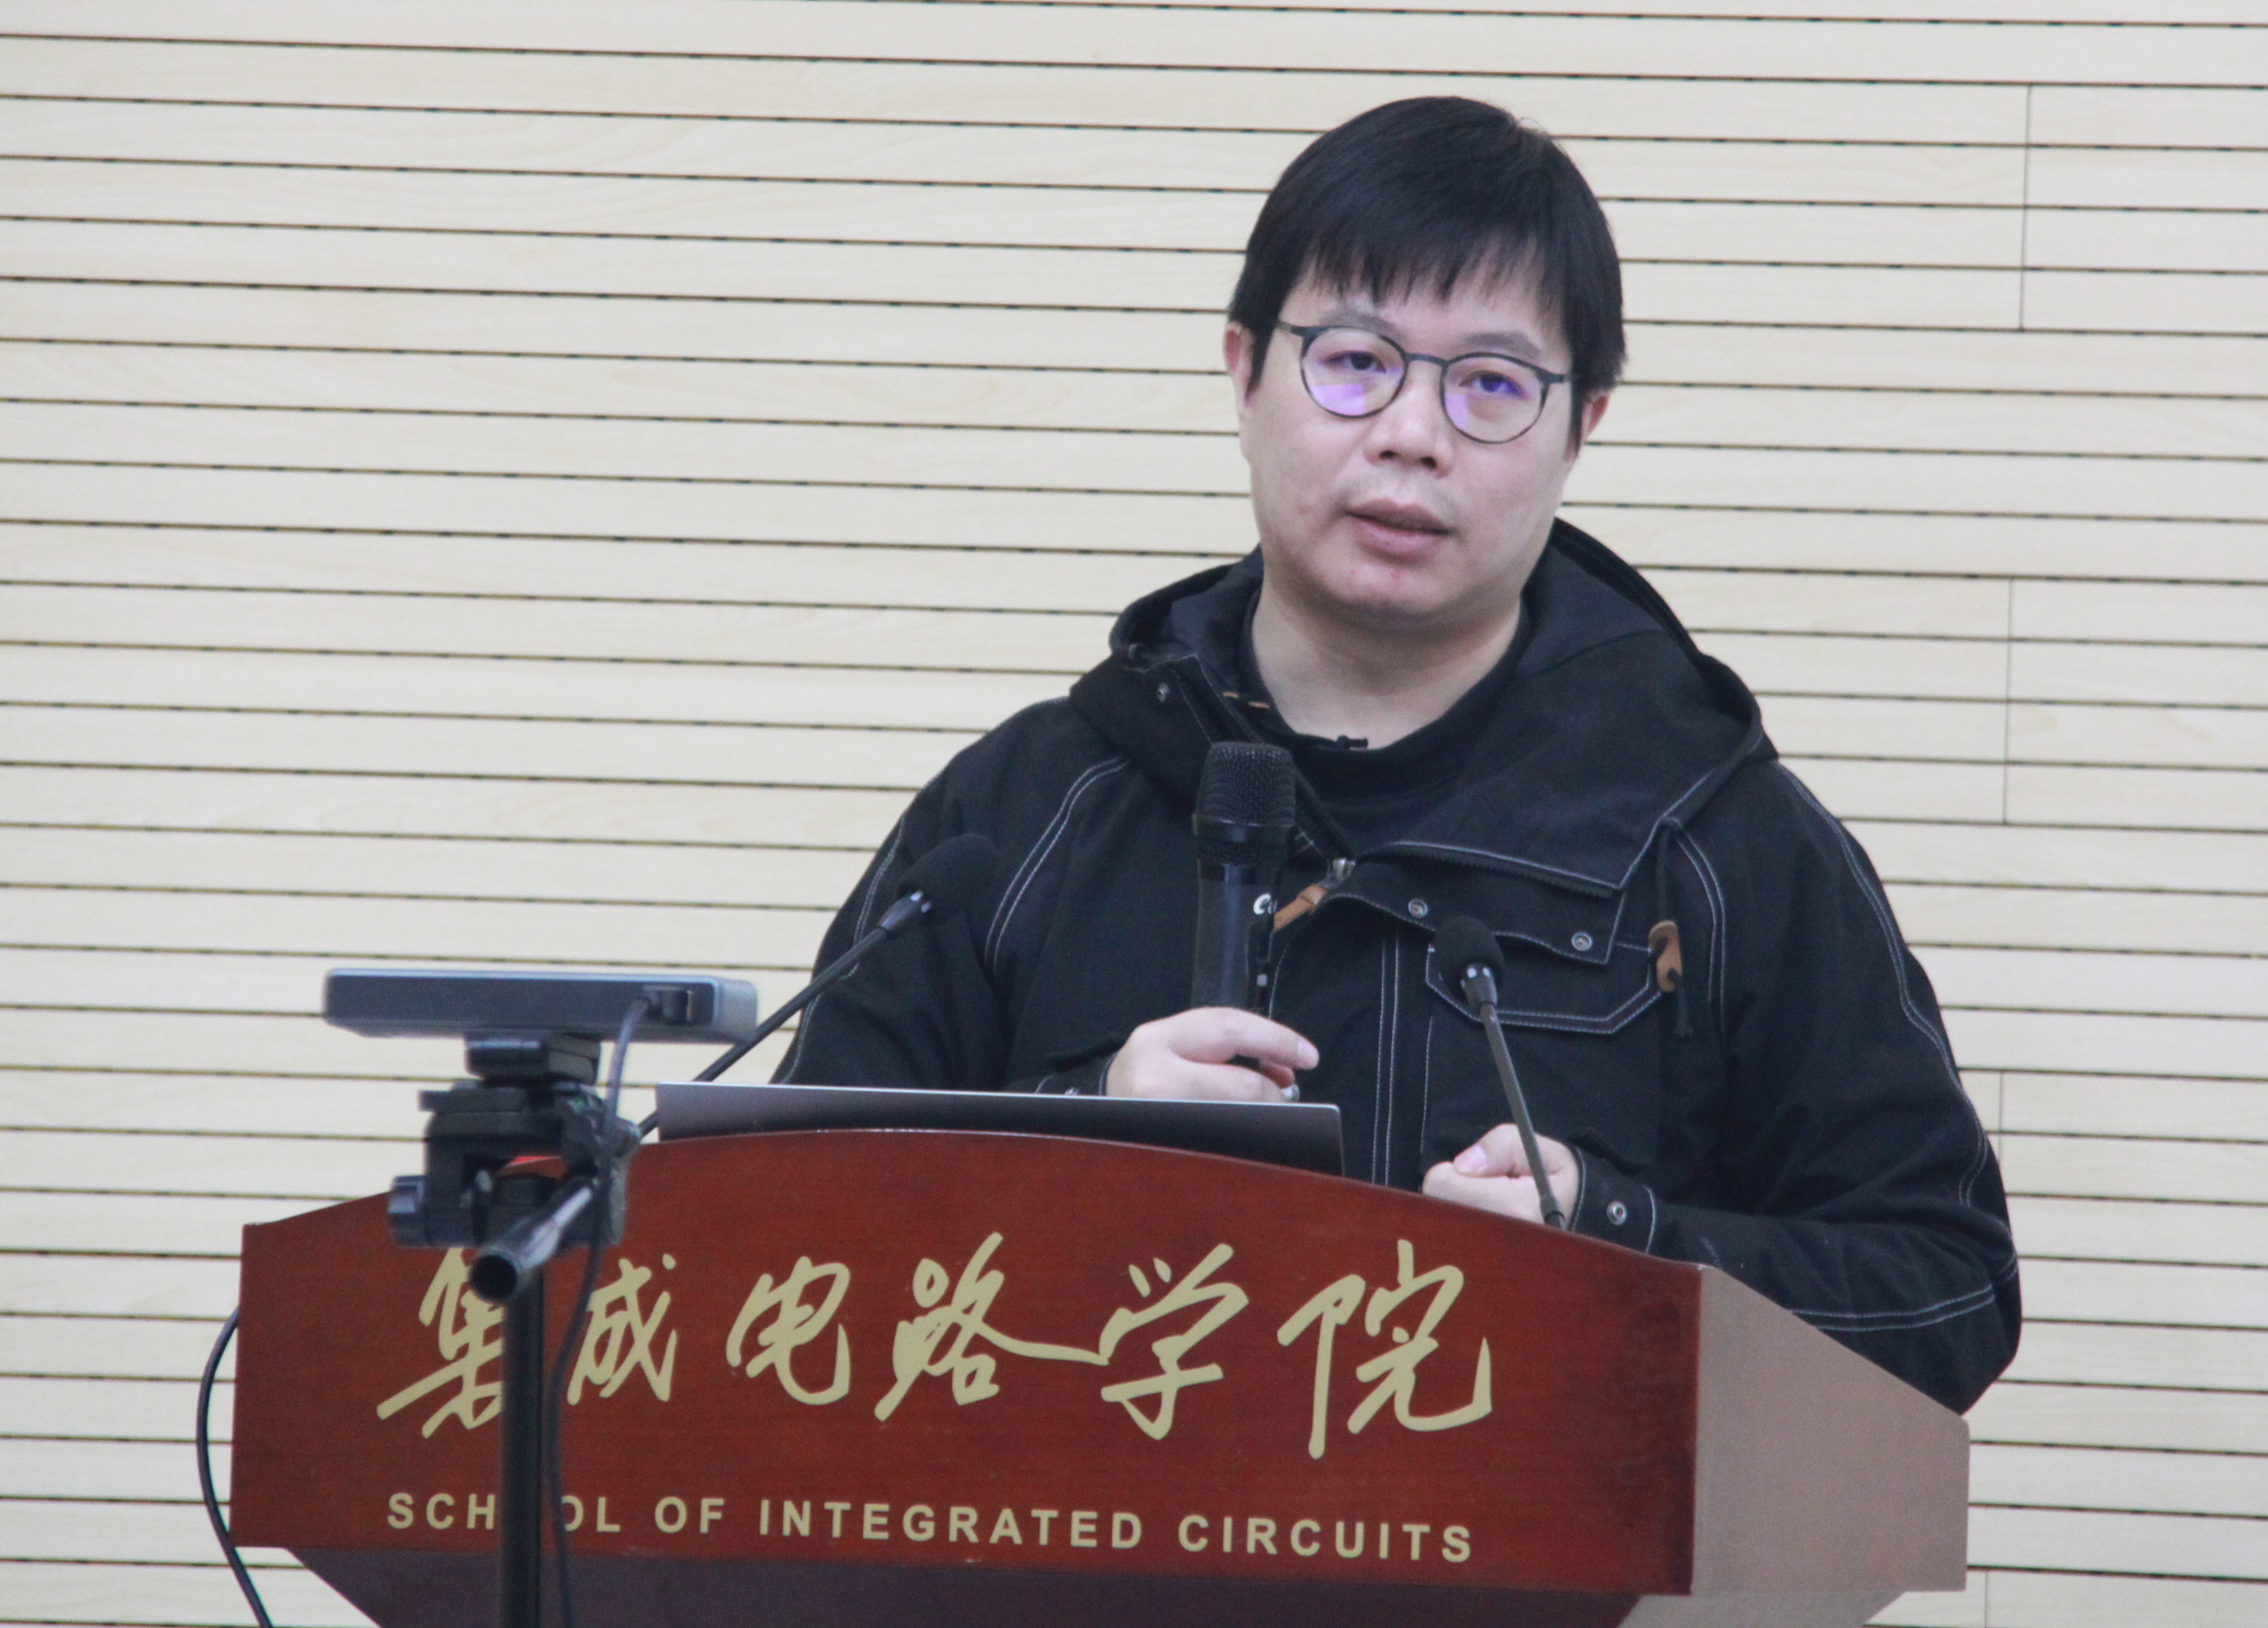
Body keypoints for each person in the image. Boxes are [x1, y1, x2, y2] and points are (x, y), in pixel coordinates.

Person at [780, 96, 2021, 1412]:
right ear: (1244, 370)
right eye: (1355, 361)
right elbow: (776, 1247)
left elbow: (1946, 1294)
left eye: (1490, 386)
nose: (1412, 434)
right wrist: (1079, 1131)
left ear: (1582, 426)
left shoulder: (1715, 840)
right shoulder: (1023, 813)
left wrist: (1625, 1243)